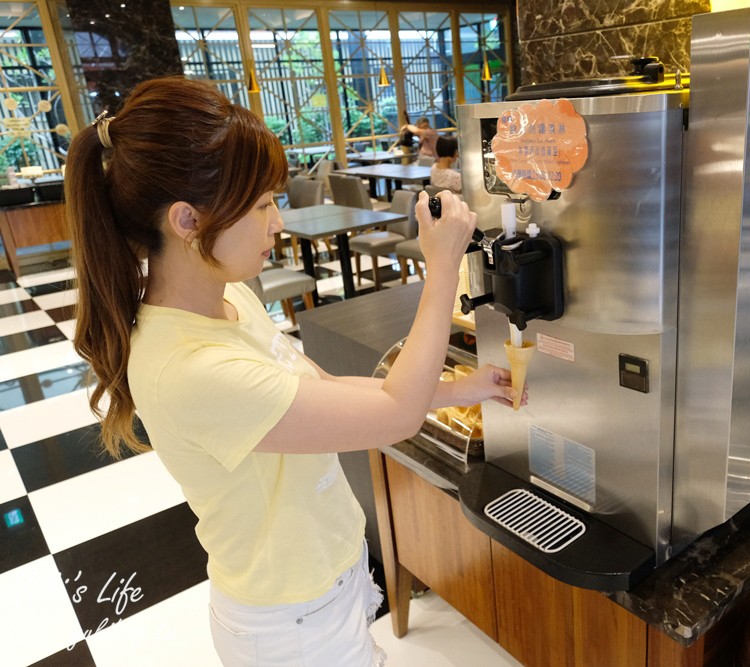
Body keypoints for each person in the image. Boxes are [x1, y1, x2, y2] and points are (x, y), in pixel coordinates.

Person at [66, 76, 524, 667]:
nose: (277, 223)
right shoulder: (191, 368)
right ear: (187, 221)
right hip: (290, 625)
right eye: (260, 206)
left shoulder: (229, 298)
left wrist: (463, 387)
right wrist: (440, 272)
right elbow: (395, 415)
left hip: (324, 586)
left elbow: (327, 391)